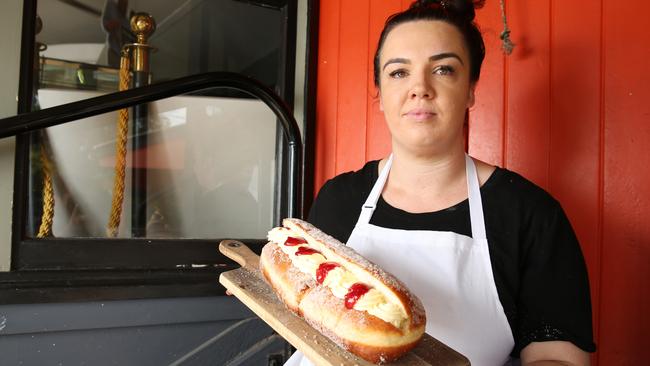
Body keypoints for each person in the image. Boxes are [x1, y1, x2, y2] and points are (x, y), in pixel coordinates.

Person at [287, 0, 596, 365]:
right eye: (399, 73)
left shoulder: (529, 215)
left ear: (470, 90)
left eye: (444, 69)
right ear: (381, 95)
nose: (420, 87)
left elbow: (559, 357)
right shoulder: (338, 199)